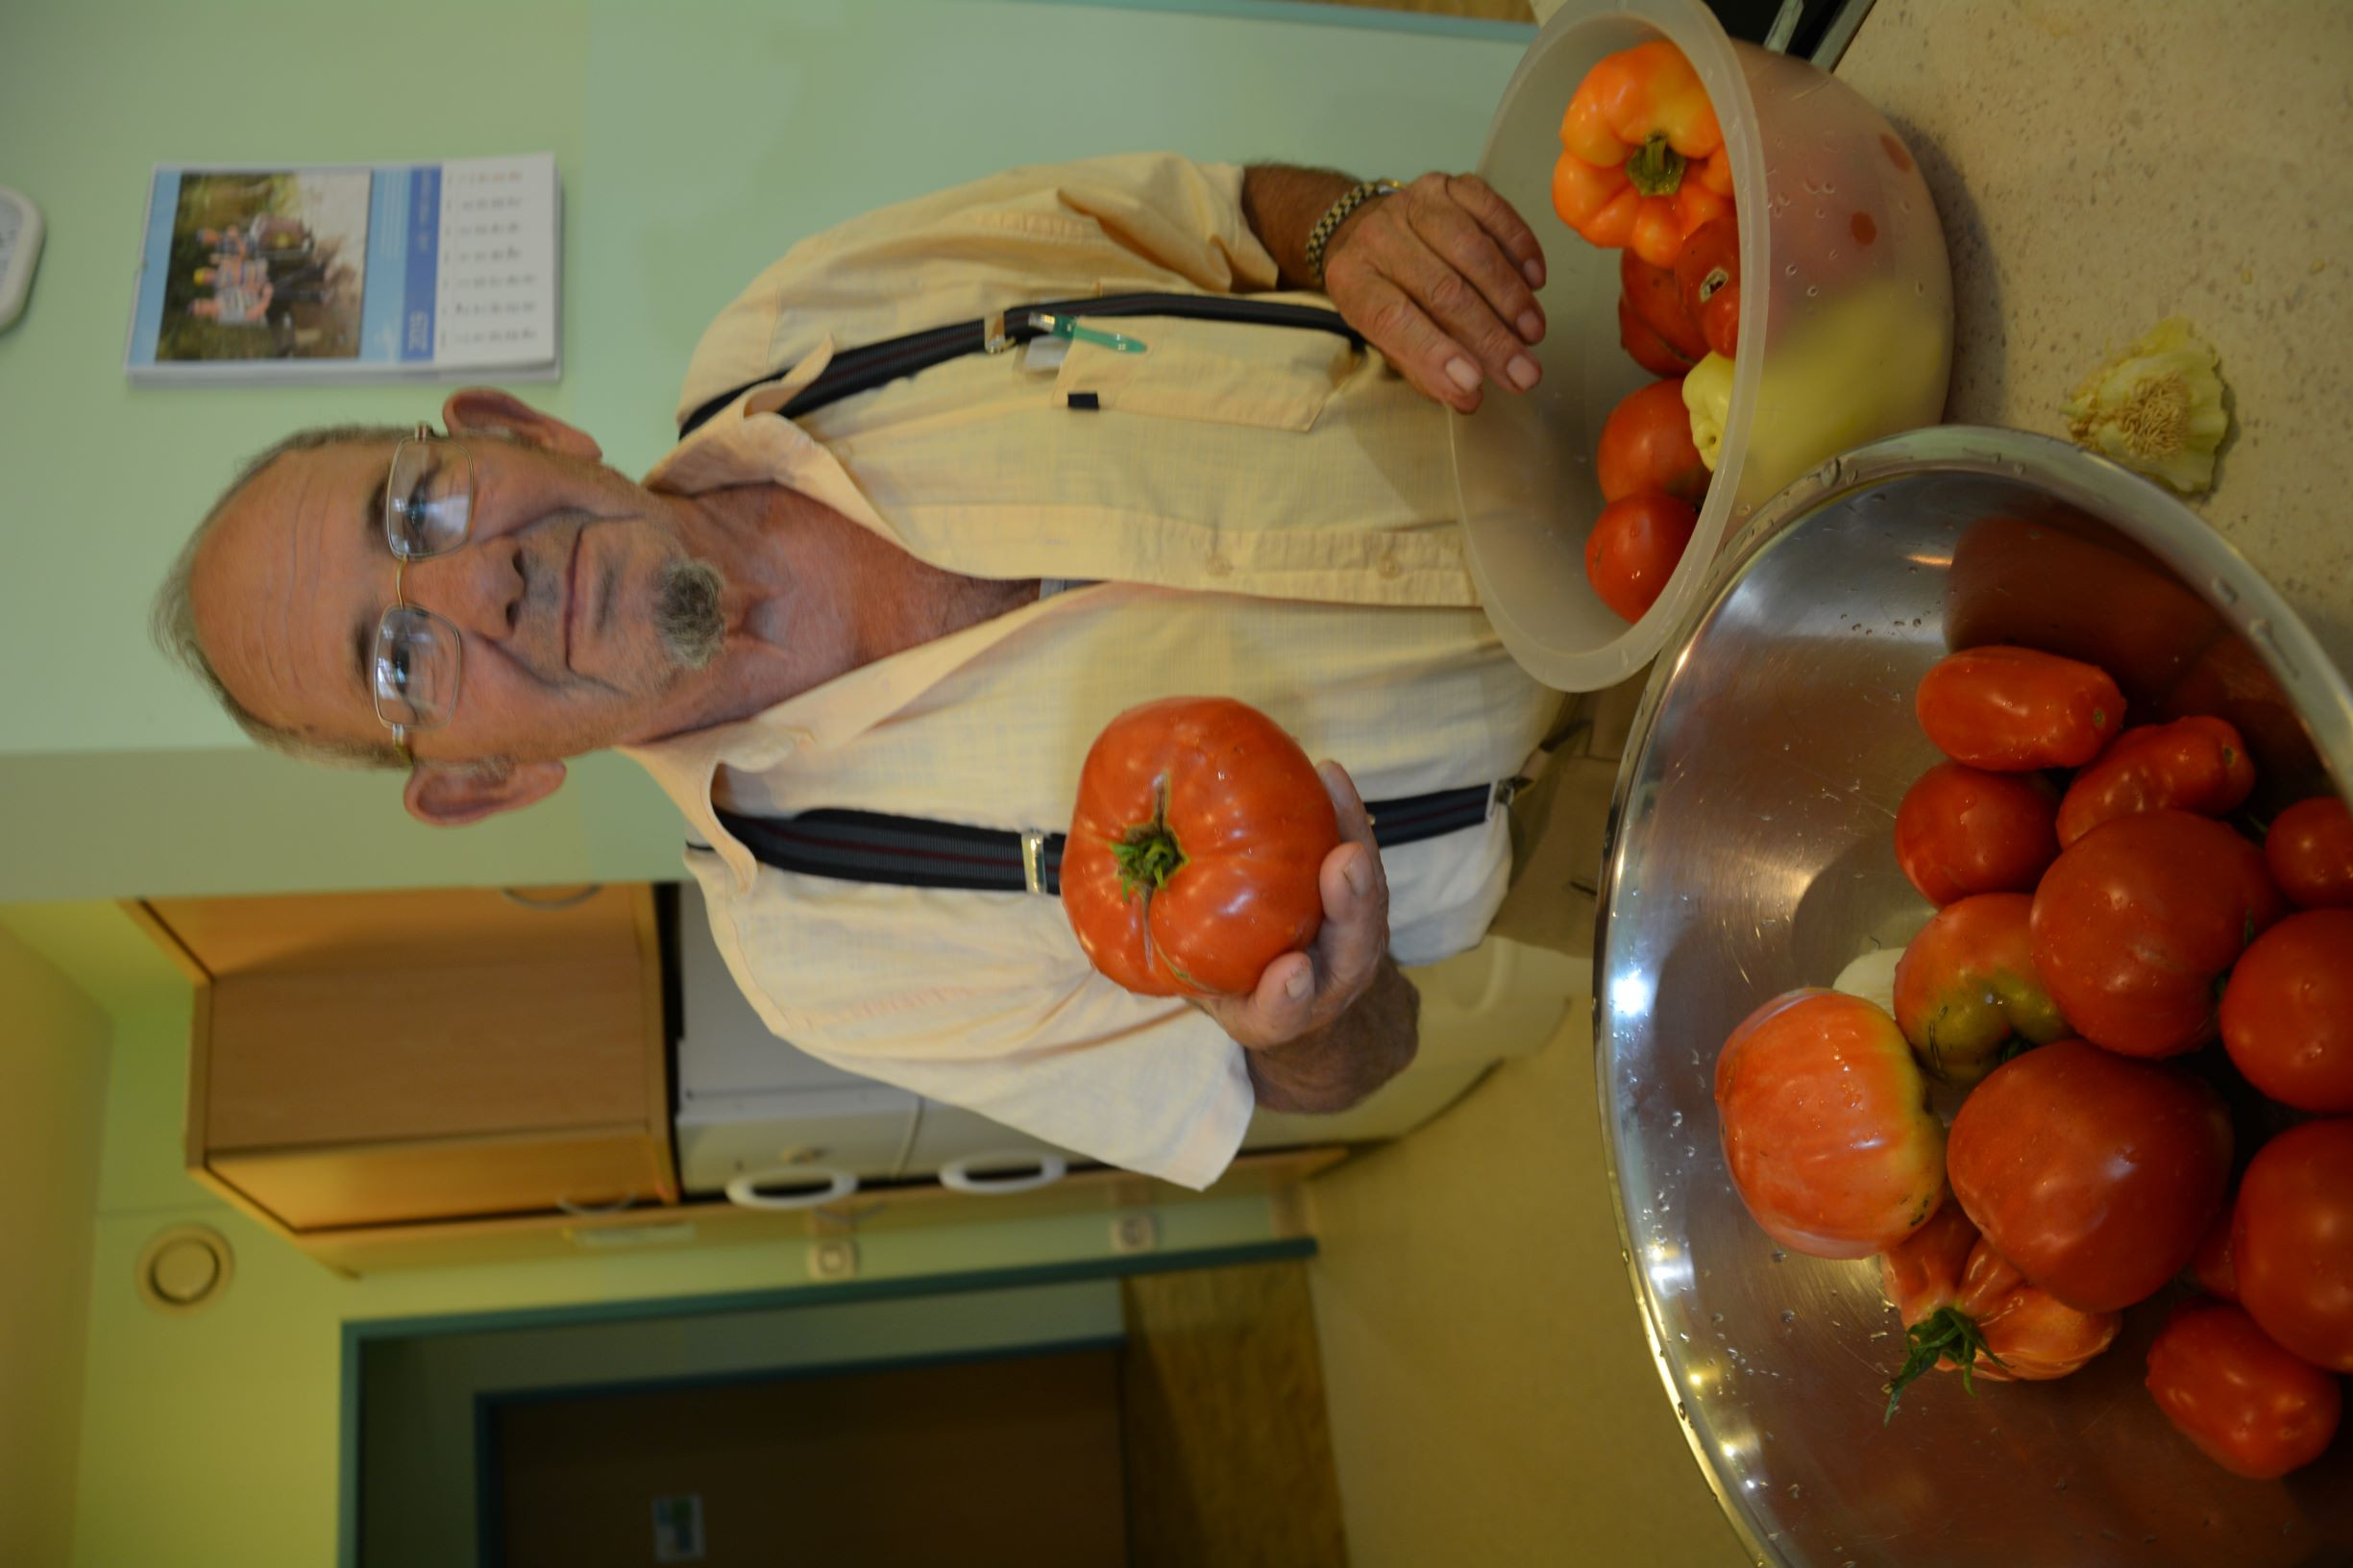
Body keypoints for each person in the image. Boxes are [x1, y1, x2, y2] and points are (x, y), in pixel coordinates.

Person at [156, 155, 1564, 1187]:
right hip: (1613, 803)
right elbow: (1331, 1072)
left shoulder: (817, 315)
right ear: (482, 782)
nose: (479, 582)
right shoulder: (825, 966)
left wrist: (1348, 229)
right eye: (400, 661)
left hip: (1573, 392)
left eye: (416, 508)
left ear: (516, 428)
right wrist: (1315, 1012)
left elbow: (1217, 216)